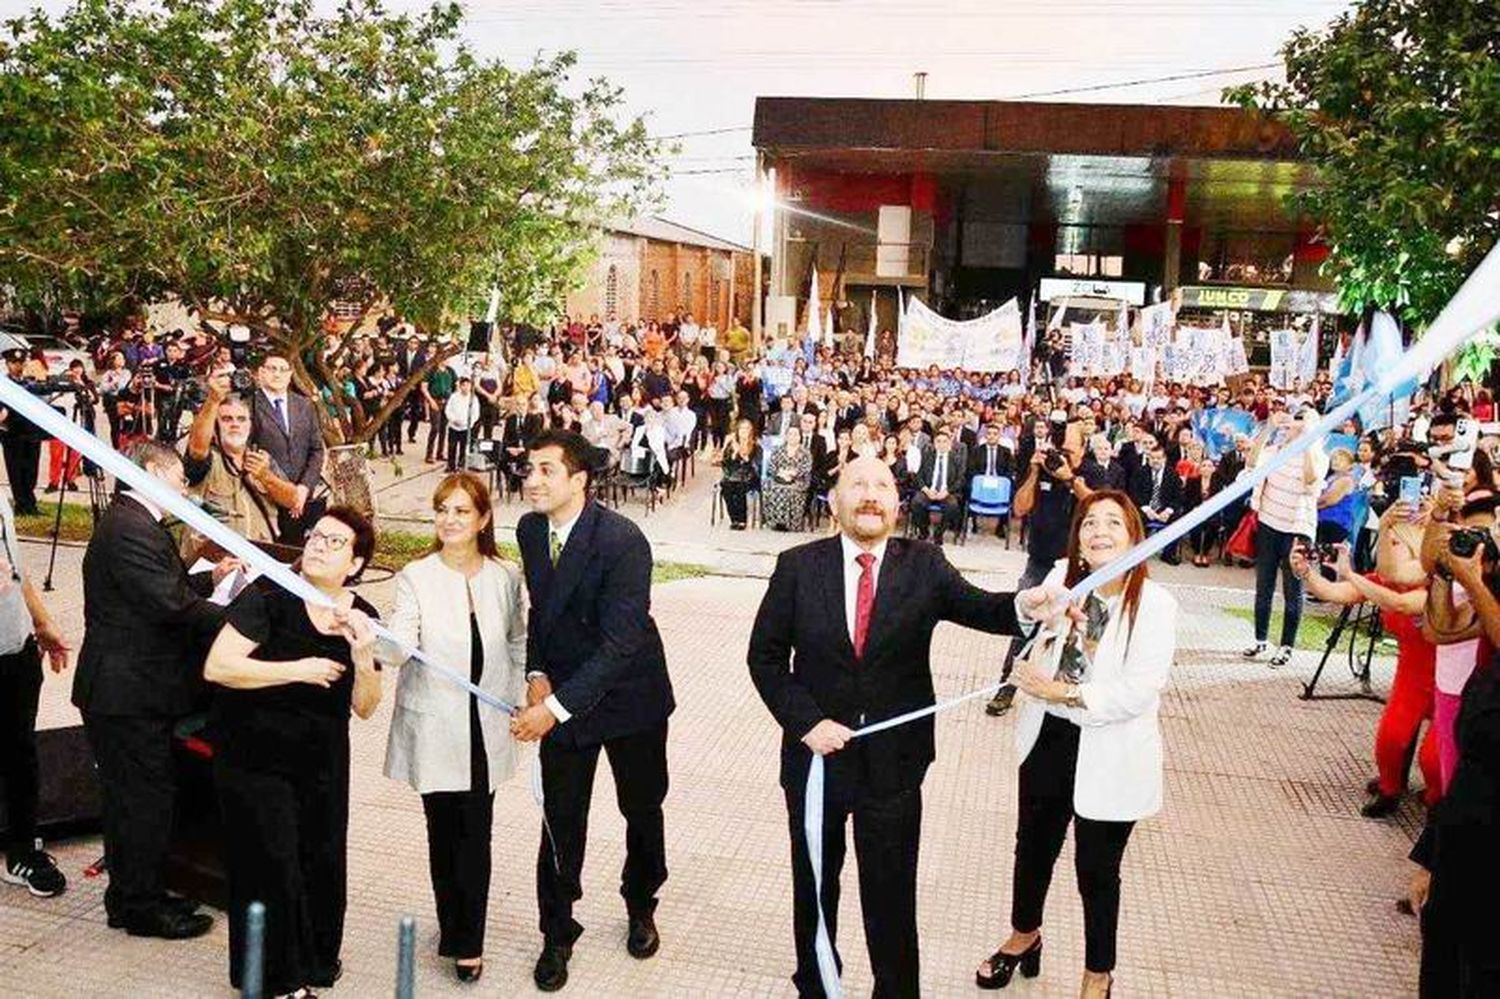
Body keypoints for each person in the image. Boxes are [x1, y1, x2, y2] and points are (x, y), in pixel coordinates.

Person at [747, 455, 1064, 998]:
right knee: (815, 887)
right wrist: (808, 724)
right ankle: (818, 985)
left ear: (897, 503)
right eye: (857, 485)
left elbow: (983, 609)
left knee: (891, 896)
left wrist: (1025, 606)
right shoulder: (798, 566)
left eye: (882, 487)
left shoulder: (925, 564)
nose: (870, 495)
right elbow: (766, 658)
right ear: (834, 501)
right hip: (816, 761)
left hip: (894, 766)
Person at [980, 490, 1178, 998]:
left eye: (1114, 522)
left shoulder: (1155, 605)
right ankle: (1025, 935)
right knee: (1033, 847)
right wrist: (1042, 622)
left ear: (1135, 535)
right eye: (1090, 523)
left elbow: (1137, 692)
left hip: (1109, 749)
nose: (1099, 531)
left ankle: (1098, 973)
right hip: (1048, 736)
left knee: (1097, 868)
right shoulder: (1062, 578)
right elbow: (1030, 629)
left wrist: (1061, 691)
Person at [508, 430, 675, 992]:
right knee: (561, 819)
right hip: (561, 697)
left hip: (631, 698)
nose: (531, 480)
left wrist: (554, 708)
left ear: (579, 480)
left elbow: (620, 643)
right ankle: (557, 932)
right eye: (529, 468)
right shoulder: (531, 529)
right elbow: (539, 608)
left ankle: (640, 900)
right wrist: (535, 673)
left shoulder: (624, 541)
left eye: (546, 470)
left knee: (642, 807)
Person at [204, 508, 381, 998]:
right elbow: (219, 667)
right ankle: (276, 983)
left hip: (322, 760)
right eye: (316, 536)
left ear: (356, 563)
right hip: (254, 755)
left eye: (335, 541)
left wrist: (363, 654)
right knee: (271, 866)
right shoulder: (269, 596)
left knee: (320, 862)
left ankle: (315, 960)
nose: (319, 545)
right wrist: (297, 669)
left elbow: (365, 707)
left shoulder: (361, 615)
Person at [73, 440, 237, 939]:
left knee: (138, 798)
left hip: (133, 690)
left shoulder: (137, 523)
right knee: (141, 800)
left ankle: (134, 891)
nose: (184, 489)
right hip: (125, 694)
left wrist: (210, 580)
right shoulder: (129, 529)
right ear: (149, 472)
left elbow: (166, 591)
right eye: (178, 480)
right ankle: (138, 905)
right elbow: (172, 606)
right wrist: (244, 623)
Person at [384, 474, 526, 983]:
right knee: (443, 833)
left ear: (483, 519)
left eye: (462, 511)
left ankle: (470, 941)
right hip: (435, 724)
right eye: (443, 509)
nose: (449, 519)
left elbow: (517, 641)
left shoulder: (505, 575)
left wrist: (521, 695)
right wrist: (377, 644)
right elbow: (401, 641)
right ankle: (453, 924)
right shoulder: (415, 576)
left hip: (486, 724)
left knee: (476, 834)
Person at [1292, 503, 1441, 816]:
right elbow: (1335, 593)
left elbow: (1401, 604)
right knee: (1391, 737)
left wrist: (1351, 575)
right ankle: (1390, 790)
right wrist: (1307, 573)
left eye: (1396, 542)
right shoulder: (1381, 580)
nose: (1388, 548)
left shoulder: (1438, 586)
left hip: (1450, 679)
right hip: (1412, 673)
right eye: (1387, 540)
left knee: (1433, 757)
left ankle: (1438, 802)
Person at [0, 486, 71, 897]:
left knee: (20, 753)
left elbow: (15, 566)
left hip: (15, 646)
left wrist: (41, 623)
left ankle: (22, 850)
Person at [181, 372, 300, 563]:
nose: (235, 424)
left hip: (259, 563)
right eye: (227, 419)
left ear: (250, 425)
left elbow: (292, 499)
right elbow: (196, 448)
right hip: (212, 565)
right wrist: (213, 400)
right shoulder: (208, 458)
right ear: (215, 426)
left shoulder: (262, 459)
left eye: (241, 419)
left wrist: (266, 477)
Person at [1243, 408, 1328, 668]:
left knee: (1293, 590)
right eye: (1294, 422)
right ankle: (1260, 640)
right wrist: (1268, 428)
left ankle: (1287, 646)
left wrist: (1308, 438)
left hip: (1296, 530)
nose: (1294, 427)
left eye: (1301, 423)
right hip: (1269, 524)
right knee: (1264, 586)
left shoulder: (1317, 456)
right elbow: (1251, 463)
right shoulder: (1275, 451)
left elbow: (1312, 478)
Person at [250, 353, 326, 545]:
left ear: (291, 374)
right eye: (271, 368)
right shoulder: (250, 404)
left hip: (304, 496)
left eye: (283, 370)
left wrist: (303, 488)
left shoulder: (304, 404)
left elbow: (316, 449)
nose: (277, 374)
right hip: (267, 497)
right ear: (260, 372)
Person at [0, 349, 44, 515]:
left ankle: (31, 503)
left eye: (20, 362)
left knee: (31, 469)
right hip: (12, 433)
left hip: (31, 431)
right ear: (7, 364)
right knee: (16, 470)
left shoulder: (29, 383)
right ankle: (21, 504)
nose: (18, 366)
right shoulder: (3, 385)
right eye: (14, 363)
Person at [912, 428, 967, 544]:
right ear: (934, 443)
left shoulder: (956, 459)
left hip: (947, 492)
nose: (941, 444)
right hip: (929, 490)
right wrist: (926, 490)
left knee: (952, 505)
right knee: (917, 502)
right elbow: (918, 476)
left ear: (950, 443)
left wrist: (947, 491)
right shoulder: (927, 456)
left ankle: (939, 533)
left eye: (944, 441)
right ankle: (924, 531)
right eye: (938, 441)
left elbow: (960, 479)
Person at [763, 425, 812, 531]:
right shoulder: (778, 450)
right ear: (786, 436)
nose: (793, 436)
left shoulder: (805, 452)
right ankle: (776, 522)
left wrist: (792, 474)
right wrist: (781, 473)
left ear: (800, 437)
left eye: (795, 434)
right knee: (770, 486)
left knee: (789, 489)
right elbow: (771, 467)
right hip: (779, 478)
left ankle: (791, 524)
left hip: (798, 480)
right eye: (790, 434)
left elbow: (806, 468)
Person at [718, 418, 762, 531]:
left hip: (749, 475)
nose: (744, 431)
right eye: (741, 428)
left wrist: (744, 456)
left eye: (747, 428)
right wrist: (734, 454)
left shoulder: (756, 446)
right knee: (726, 487)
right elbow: (724, 464)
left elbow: (756, 466)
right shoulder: (731, 444)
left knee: (741, 487)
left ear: (751, 431)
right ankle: (734, 519)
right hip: (733, 475)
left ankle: (742, 519)